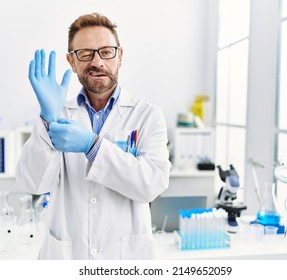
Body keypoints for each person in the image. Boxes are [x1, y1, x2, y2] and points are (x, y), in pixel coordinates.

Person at [15, 13, 171, 260]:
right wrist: (47, 118)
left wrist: (93, 146)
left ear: (120, 56)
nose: (97, 61)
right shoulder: (57, 113)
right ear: (72, 61)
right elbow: (34, 184)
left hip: (125, 258)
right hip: (67, 256)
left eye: (106, 52)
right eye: (85, 54)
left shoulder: (148, 115)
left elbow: (150, 184)